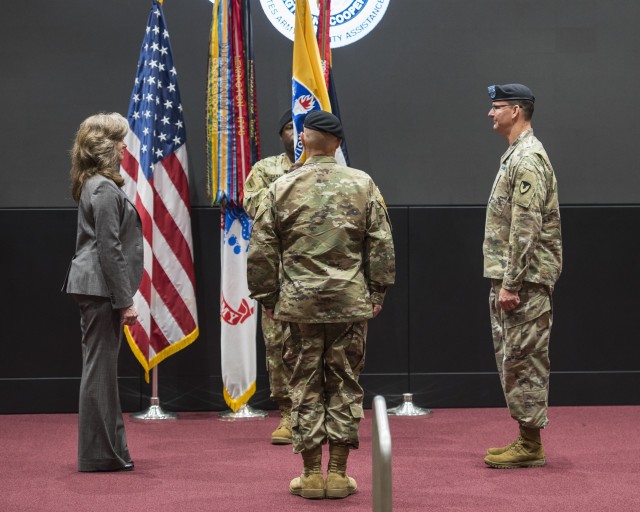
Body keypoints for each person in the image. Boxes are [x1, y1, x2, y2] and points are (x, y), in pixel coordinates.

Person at [247, 110, 395, 499]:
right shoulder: (362, 184)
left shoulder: (280, 187)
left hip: (298, 306)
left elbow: (261, 250)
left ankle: (312, 475)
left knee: (304, 384)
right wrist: (376, 292)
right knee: (345, 383)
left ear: (303, 142)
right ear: (337, 143)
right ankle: (339, 473)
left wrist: (269, 298)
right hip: (349, 303)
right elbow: (380, 245)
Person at [483, 84, 562, 469]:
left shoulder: (527, 159)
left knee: (525, 360)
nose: (490, 113)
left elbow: (525, 227)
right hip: (517, 280)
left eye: (496, 107)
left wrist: (511, 282)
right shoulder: (516, 155)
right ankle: (526, 437)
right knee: (514, 359)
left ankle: (531, 445)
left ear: (516, 111)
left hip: (525, 283)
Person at [63, 112, 143, 472]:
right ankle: (99, 454)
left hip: (95, 287)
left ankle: (109, 451)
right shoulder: (104, 188)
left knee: (101, 370)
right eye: (120, 141)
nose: (125, 147)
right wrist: (125, 301)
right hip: (100, 289)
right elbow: (109, 249)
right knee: (99, 371)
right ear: (105, 148)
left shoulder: (95, 184)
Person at [243, 109, 296, 445]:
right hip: (279, 274)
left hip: (322, 275)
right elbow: (254, 207)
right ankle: (288, 413)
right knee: (278, 344)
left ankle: (318, 411)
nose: (297, 133)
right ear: (281, 135)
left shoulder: (338, 172)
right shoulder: (265, 170)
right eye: (290, 128)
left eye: (303, 126)